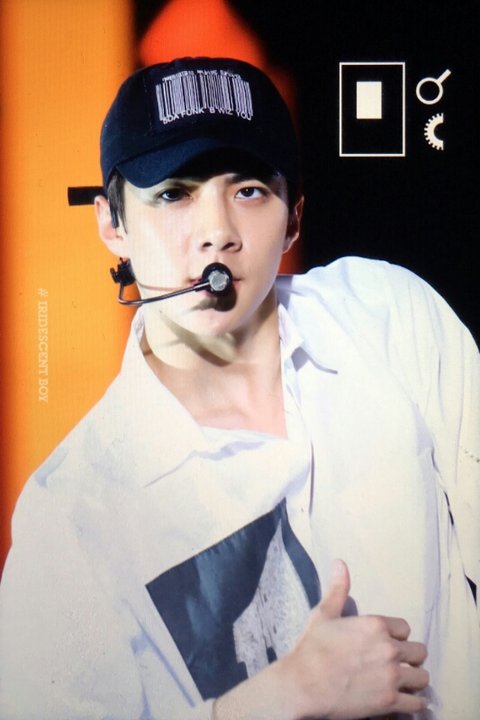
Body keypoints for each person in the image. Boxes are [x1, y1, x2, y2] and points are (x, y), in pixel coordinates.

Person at [0, 56, 478, 720]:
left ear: (294, 218)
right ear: (113, 223)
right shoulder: (71, 514)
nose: (217, 233)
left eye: (248, 190)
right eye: (174, 193)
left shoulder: (386, 315)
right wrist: (281, 699)